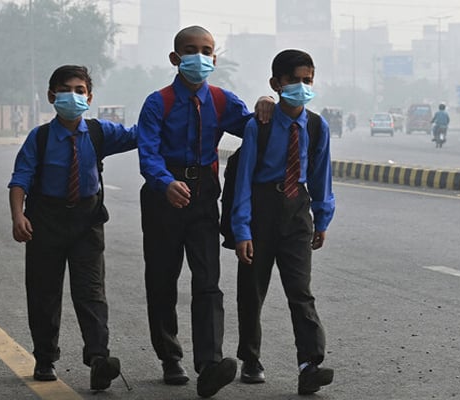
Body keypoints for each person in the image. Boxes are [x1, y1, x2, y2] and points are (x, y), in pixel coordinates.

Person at [137, 25, 274, 398]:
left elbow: (254, 127)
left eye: (206, 50)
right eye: (191, 49)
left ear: (214, 58)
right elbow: (147, 154)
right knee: (163, 279)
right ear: (175, 58)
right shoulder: (157, 102)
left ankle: (210, 363)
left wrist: (266, 102)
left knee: (208, 281)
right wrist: (165, 183)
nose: (199, 56)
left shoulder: (221, 100)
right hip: (163, 196)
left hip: (203, 196)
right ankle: (170, 356)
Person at [7, 65, 137, 391]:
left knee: (91, 293)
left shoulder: (99, 133)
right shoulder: (39, 138)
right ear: (52, 96)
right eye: (66, 90)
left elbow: (140, 134)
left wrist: (161, 111)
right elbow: (20, 178)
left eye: (80, 90)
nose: (73, 96)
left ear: (90, 97)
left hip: (86, 223)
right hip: (45, 222)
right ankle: (45, 358)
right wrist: (18, 216)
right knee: (44, 293)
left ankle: (98, 359)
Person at [231, 49, 335, 395]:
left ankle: (310, 364)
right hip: (261, 209)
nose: (302, 87)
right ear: (276, 84)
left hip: (297, 213)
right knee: (252, 290)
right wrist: (241, 230)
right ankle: (251, 359)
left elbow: (321, 177)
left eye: (307, 81)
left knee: (300, 293)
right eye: (294, 81)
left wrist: (321, 219)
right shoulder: (257, 126)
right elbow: (244, 180)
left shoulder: (318, 126)